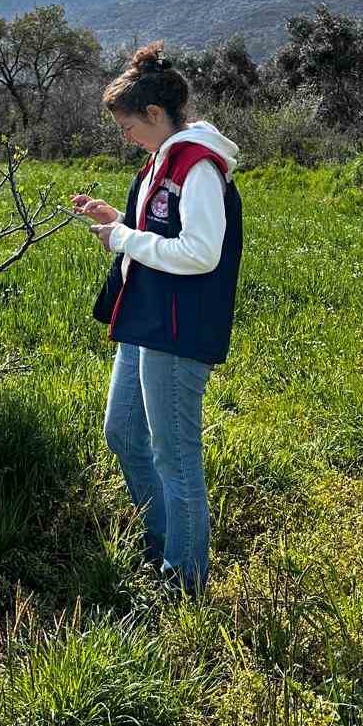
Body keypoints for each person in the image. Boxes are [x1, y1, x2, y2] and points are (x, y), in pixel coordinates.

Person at [71, 44, 243, 596]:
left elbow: (200, 252)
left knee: (175, 455)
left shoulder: (197, 166)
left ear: (153, 115)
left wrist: (122, 238)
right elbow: (163, 233)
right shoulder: (160, 164)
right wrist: (117, 218)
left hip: (177, 328)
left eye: (127, 126)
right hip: (145, 318)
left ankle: (184, 576)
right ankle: (162, 542)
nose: (124, 137)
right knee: (122, 433)